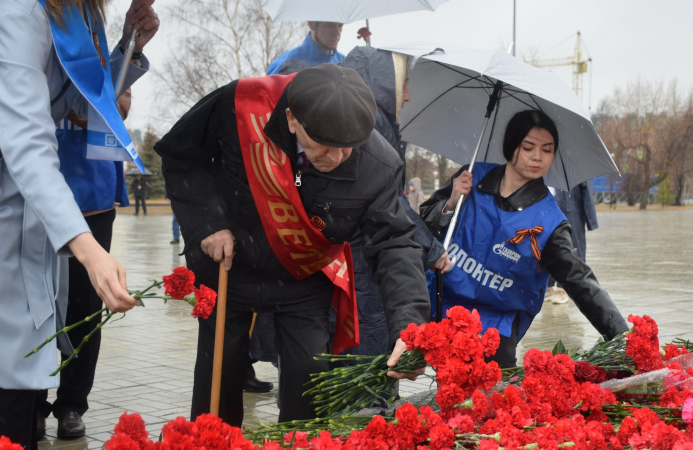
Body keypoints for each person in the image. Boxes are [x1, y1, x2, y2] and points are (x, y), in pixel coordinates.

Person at [155, 63, 429, 425]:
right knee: (217, 379)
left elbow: (395, 243)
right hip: (228, 265)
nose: (335, 158)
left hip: (302, 275)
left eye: (347, 148)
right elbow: (181, 156)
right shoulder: (240, 105)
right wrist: (208, 224)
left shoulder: (378, 165)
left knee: (308, 384)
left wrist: (410, 326)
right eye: (323, 146)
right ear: (292, 119)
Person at [0, 0, 158, 450]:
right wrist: (89, 251)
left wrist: (129, 45)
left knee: (28, 363)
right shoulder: (18, 10)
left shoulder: (81, 11)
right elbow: (26, 138)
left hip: (33, 209)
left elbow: (78, 101)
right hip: (21, 194)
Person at [420, 110, 628, 368]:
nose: (538, 157)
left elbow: (579, 279)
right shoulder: (472, 177)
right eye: (528, 147)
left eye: (547, 150)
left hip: (498, 324)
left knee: (491, 400)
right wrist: (451, 202)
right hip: (445, 306)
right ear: (511, 146)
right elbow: (422, 224)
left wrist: (622, 336)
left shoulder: (551, 222)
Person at [35, 90, 134, 441]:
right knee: (34, 299)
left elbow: (120, 105)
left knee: (85, 306)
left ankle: (71, 404)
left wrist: (93, 108)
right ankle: (31, 401)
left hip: (91, 186)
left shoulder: (97, 46)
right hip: (33, 181)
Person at [546, 182, 598, 304]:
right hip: (547, 209)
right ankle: (547, 286)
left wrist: (591, 220)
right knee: (547, 246)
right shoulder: (540, 165)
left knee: (571, 248)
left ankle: (564, 288)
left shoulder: (572, 165)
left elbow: (586, 191)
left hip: (572, 211)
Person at [266, 21, 344, 75]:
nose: (337, 33)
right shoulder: (284, 64)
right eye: (329, 24)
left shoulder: (346, 63)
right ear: (311, 24)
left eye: (340, 25)